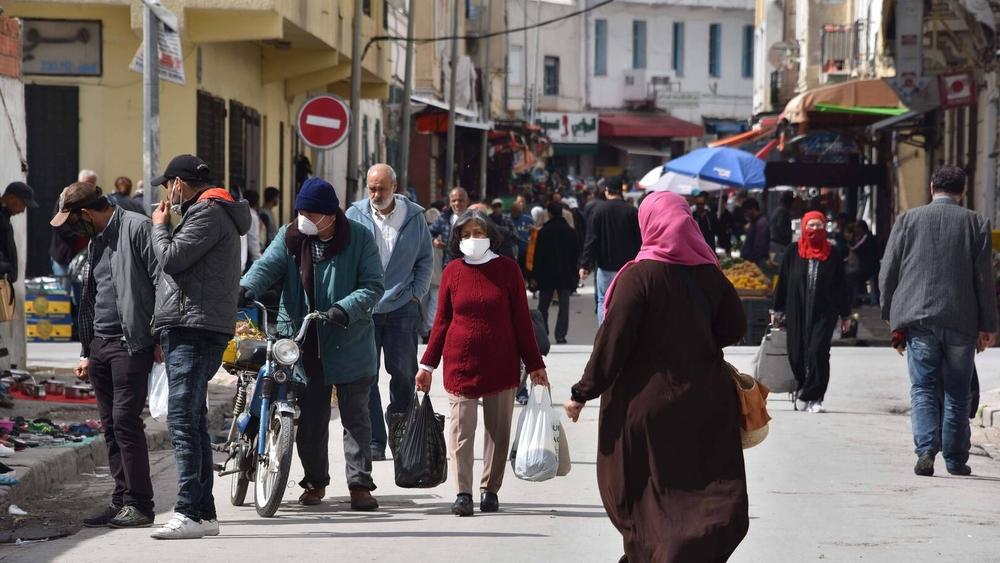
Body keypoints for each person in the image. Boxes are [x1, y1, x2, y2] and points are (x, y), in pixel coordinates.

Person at [563, 191, 749, 562]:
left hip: (646, 408)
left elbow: (612, 341)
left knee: (648, 496)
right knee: (702, 493)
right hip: (705, 405)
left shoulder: (638, 277)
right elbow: (735, 327)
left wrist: (582, 393)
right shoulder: (709, 274)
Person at [242, 177, 385, 508]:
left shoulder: (359, 238)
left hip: (348, 339)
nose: (303, 217)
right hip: (302, 340)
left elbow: (373, 285)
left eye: (310, 212)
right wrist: (246, 287)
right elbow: (266, 266)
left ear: (330, 215)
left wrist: (343, 309)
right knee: (310, 419)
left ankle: (359, 484)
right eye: (300, 210)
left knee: (355, 417)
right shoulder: (291, 237)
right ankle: (315, 482)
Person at [416, 211, 547, 517]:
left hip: (501, 363)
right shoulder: (452, 272)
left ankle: (490, 490)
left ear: (491, 235)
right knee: (461, 430)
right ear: (456, 239)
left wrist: (535, 363)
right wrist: (427, 366)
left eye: (478, 232)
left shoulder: (508, 270)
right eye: (466, 234)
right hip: (460, 363)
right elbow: (441, 322)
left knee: (497, 431)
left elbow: (522, 321)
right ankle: (463, 492)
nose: (472, 239)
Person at [148, 154, 251, 539]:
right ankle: (204, 513)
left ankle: (189, 510)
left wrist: (161, 227)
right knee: (189, 418)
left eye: (168, 185)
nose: (166, 194)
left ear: (180, 183)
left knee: (182, 418)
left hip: (194, 327)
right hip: (193, 325)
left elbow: (172, 259)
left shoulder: (207, 213)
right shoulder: (209, 213)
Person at [51, 183, 161, 529]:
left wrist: (159, 335)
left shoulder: (137, 228)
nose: (69, 228)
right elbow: (93, 296)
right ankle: (121, 500)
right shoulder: (96, 238)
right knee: (112, 428)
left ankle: (140, 505)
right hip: (101, 345)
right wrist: (87, 351)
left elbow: (163, 281)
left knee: (126, 423)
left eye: (71, 220)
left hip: (131, 343)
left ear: (86, 213)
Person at [879, 166, 998, 477]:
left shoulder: (908, 220)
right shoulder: (976, 223)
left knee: (923, 388)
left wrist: (890, 314)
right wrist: (988, 325)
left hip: (918, 319)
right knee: (958, 392)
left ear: (932, 187)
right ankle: (957, 460)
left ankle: (926, 450)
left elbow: (888, 271)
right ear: (963, 191)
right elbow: (984, 280)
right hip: (961, 319)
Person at [347, 164, 433, 462]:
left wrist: (415, 295)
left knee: (403, 376)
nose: (376, 194)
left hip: (401, 310)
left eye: (382, 188)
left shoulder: (414, 217)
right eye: (371, 188)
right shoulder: (354, 214)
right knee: (365, 376)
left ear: (395, 187)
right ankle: (374, 441)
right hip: (364, 309)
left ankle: (402, 437)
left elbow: (425, 260)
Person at [773, 211, 852, 414]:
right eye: (811, 226)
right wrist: (777, 309)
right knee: (796, 353)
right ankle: (802, 386)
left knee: (818, 351)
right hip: (796, 309)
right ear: (804, 227)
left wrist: (846, 314)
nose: (815, 230)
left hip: (825, 311)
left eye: (819, 226)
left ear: (825, 227)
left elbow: (841, 286)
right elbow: (782, 281)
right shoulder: (793, 252)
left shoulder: (833, 253)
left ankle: (813, 396)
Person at [578, 177, 641, 325]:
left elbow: (591, 240)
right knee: (627, 302)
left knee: (603, 301)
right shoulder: (632, 212)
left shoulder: (598, 211)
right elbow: (640, 240)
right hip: (628, 268)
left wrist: (585, 265)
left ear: (606, 191)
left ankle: (604, 333)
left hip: (605, 266)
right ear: (621, 191)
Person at [532, 202, 580, 344]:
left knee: (543, 307)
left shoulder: (544, 232)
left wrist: (534, 276)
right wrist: (574, 275)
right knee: (564, 306)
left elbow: (537, 256)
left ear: (549, 214)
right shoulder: (571, 232)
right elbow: (576, 255)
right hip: (565, 275)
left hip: (546, 276)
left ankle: (543, 333)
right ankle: (560, 335)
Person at [0, 182, 37, 283]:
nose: (23, 210)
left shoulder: (4, 217)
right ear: (12, 198)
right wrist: (5, 267)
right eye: (23, 204)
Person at [429, 187, 470, 270]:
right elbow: (428, 232)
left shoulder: (474, 219)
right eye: (453, 201)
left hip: (470, 265)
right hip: (448, 266)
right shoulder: (444, 218)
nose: (457, 203)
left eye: (460, 200)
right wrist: (434, 241)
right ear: (450, 203)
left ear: (467, 201)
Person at [844, 221, 880, 306]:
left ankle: (852, 301)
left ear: (861, 228)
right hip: (867, 267)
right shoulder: (864, 237)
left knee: (849, 276)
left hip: (869, 268)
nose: (855, 230)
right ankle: (857, 297)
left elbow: (855, 248)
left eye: (857, 227)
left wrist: (849, 241)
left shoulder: (866, 237)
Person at [421, 206, 443, 340]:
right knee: (431, 305)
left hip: (433, 276)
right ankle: (428, 331)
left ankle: (428, 331)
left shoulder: (426, 234)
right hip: (429, 275)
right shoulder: (425, 235)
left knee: (430, 306)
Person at [507, 201, 535, 276]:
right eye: (515, 211)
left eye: (519, 212)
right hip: (510, 252)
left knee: (524, 273)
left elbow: (534, 234)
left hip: (525, 251)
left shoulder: (528, 219)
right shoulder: (506, 219)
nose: (517, 213)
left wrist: (533, 229)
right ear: (511, 210)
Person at [740, 198, 770, 265]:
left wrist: (750, 261)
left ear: (753, 208)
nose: (745, 214)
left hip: (756, 263)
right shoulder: (754, 222)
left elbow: (759, 247)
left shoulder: (761, 223)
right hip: (751, 262)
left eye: (746, 211)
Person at [769, 191, 794, 265]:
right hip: (779, 244)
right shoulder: (783, 211)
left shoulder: (778, 210)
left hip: (776, 243)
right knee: (779, 265)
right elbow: (781, 227)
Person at [243, 189, 263, 264]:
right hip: (249, 257)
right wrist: (258, 258)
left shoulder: (242, 214)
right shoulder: (252, 216)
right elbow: (253, 238)